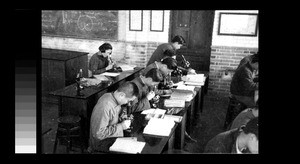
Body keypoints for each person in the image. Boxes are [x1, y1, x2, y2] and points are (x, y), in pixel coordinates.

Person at [89, 81, 139, 151]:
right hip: (102, 145)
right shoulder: (105, 106)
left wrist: (121, 118)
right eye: (128, 101)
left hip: (114, 138)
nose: (129, 104)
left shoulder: (113, 97)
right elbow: (98, 134)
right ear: (121, 95)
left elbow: (112, 118)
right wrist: (121, 126)